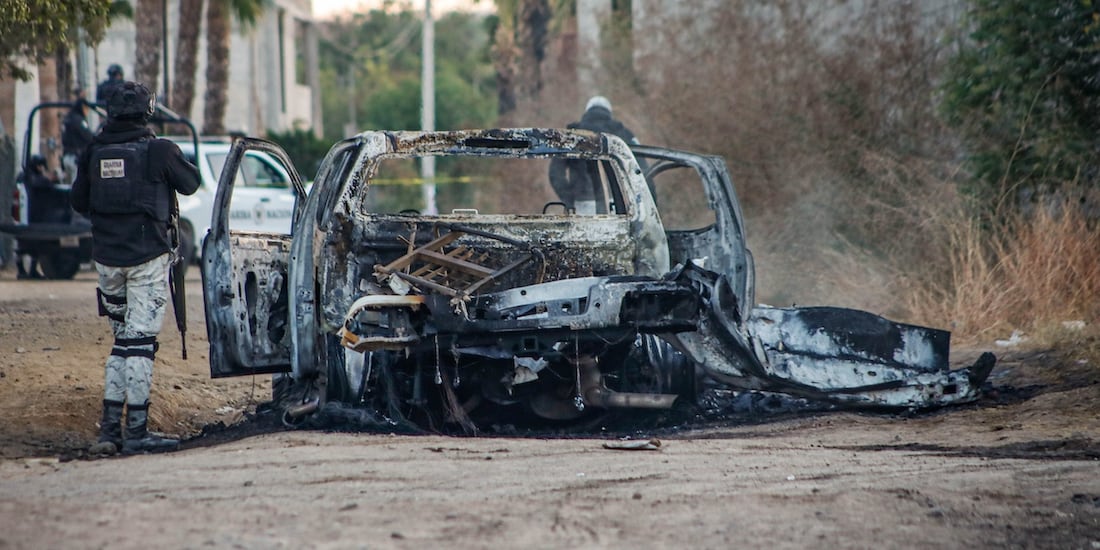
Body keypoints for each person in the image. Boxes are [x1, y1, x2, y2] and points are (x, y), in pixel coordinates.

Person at [71, 81, 201, 455]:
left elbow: (79, 201)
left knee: (122, 342)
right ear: (149, 111)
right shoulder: (159, 151)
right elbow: (191, 184)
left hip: (107, 261)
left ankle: (110, 431)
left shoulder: (93, 150)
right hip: (147, 260)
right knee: (141, 344)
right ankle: (138, 431)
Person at [548, 96, 644, 214]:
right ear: (609, 112)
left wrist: (569, 200)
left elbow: (555, 173)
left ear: (587, 111)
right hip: (616, 204)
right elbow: (641, 169)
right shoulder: (623, 134)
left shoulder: (570, 134)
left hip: (581, 204)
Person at [61, 91, 94, 183]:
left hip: (67, 156)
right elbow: (88, 136)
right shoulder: (78, 120)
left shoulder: (68, 118)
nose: (87, 111)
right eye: (86, 108)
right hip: (76, 158)